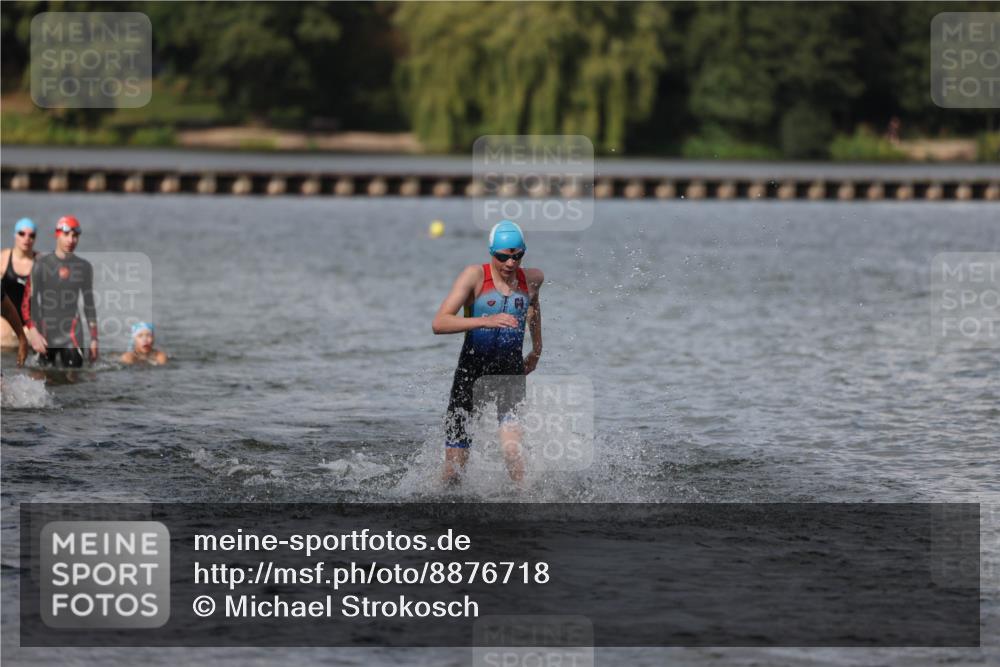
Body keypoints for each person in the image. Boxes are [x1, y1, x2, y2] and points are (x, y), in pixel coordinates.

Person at [432, 220, 544, 485]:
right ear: (491, 252)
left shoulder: (532, 279)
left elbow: (534, 308)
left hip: (510, 373)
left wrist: (537, 349)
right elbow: (440, 323)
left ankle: (523, 506)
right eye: (503, 257)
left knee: (512, 451)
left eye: (517, 256)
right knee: (454, 470)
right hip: (471, 373)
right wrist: (486, 320)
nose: (510, 263)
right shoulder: (474, 276)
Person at [23, 216, 99, 368]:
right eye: (66, 235)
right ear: (57, 234)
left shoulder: (84, 267)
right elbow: (27, 302)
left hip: (71, 334)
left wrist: (94, 339)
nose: (71, 240)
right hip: (44, 332)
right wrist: (33, 331)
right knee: (40, 379)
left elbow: (89, 304)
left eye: (75, 236)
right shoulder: (41, 264)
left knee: (74, 381)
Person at [1, 218, 38, 350]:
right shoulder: (3, 258)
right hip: (5, 318)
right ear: (15, 235)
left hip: (29, 321)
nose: (26, 238)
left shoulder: (41, 261)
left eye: (31, 235)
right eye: (22, 234)